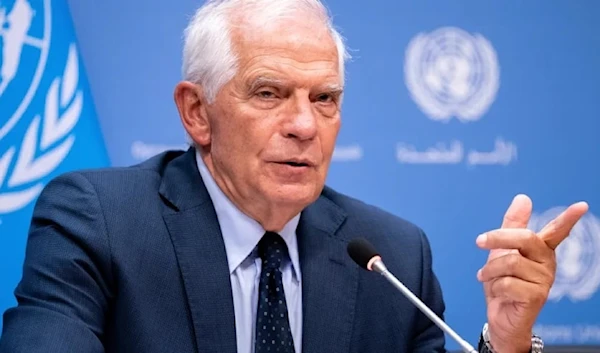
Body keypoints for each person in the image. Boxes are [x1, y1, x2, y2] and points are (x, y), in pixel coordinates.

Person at [0, 0, 589, 352]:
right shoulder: (101, 223)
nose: (305, 125)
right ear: (196, 112)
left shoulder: (392, 256)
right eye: (269, 93)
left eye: (325, 98)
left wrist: (506, 340)